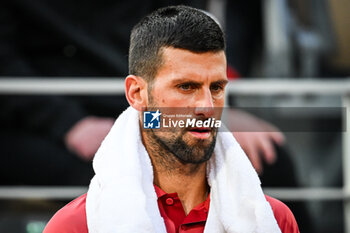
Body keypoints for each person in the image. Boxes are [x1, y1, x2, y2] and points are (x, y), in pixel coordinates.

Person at [44, 6, 299, 233]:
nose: (207, 108)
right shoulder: (75, 226)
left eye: (217, 87)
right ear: (136, 93)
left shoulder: (276, 220)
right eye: (186, 87)